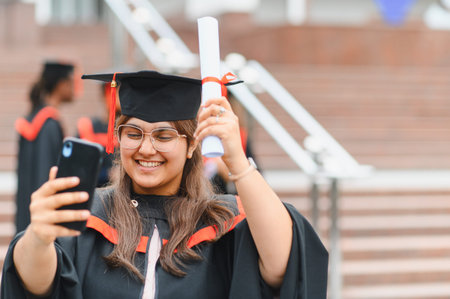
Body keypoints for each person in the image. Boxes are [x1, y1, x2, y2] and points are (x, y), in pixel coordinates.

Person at [2, 70, 328, 298]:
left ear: (191, 146)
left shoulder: (223, 222)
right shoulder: (89, 213)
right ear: (117, 139)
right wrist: (38, 236)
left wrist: (238, 162)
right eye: (133, 133)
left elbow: (282, 267)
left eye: (164, 135)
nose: (146, 148)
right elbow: (35, 287)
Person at [14, 61, 75, 233]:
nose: (74, 89)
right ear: (61, 85)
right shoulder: (48, 124)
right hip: (42, 213)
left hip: (29, 206)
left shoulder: (33, 118)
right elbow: (45, 171)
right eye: (70, 83)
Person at [76, 82, 121, 187]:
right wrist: (108, 174)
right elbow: (80, 171)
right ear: (105, 95)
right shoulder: (88, 128)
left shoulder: (132, 132)